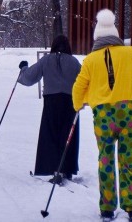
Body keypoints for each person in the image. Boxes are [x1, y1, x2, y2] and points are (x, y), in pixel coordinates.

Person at [72, 9, 132, 222]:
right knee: (129, 160)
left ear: (97, 37)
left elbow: (79, 86)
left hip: (103, 115)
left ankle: (107, 208)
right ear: (116, 34)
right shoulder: (129, 53)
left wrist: (78, 104)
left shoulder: (90, 60)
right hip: (129, 113)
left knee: (106, 158)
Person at [18, 35, 81, 184]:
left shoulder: (46, 60)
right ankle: (67, 169)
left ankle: (53, 168)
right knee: (68, 135)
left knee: (51, 134)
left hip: (51, 102)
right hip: (70, 102)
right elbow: (84, 81)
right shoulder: (74, 62)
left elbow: (29, 77)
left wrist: (23, 68)